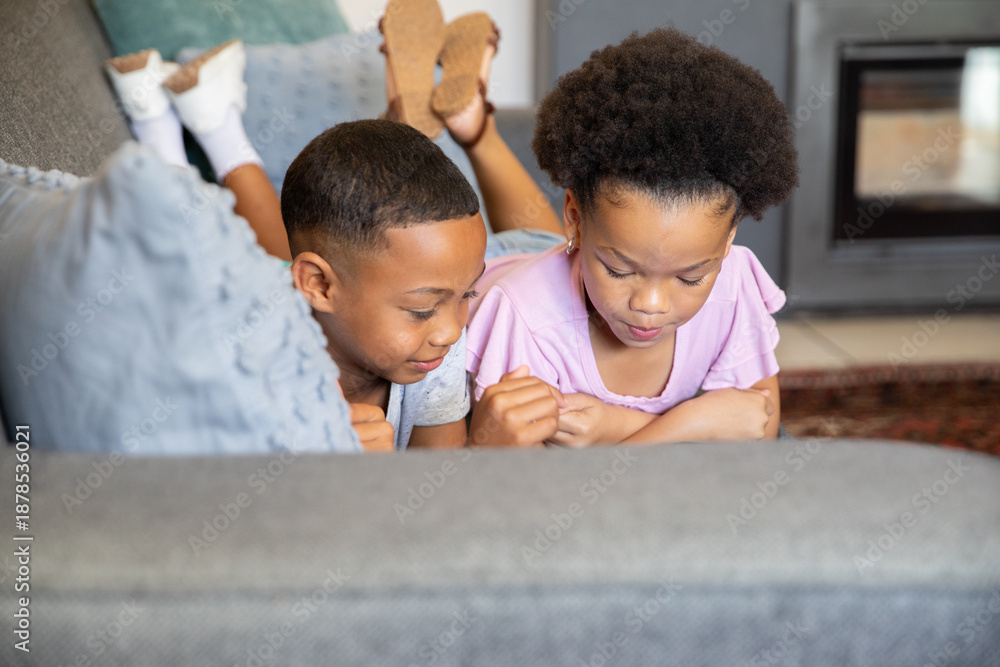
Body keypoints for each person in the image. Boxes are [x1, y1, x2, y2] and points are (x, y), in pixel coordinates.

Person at [465, 27, 800, 447]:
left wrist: (614, 428)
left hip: (570, 256)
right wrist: (692, 424)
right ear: (576, 218)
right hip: (494, 272)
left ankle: (474, 125)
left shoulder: (734, 283)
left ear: (729, 239)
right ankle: (439, 123)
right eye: (620, 271)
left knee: (543, 237)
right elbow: (525, 481)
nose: (650, 306)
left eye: (690, 278)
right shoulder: (523, 317)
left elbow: (759, 425)